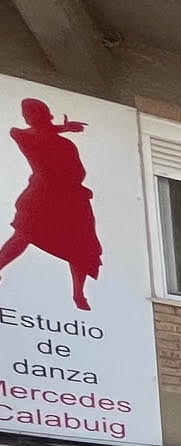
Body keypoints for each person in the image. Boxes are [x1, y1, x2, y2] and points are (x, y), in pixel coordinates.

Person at [0, 99, 99, 310]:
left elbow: (78, 171)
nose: (28, 118)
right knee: (24, 234)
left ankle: (78, 294)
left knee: (80, 247)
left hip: (70, 197)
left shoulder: (65, 144)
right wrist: (63, 128)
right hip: (43, 197)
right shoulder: (23, 135)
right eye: (27, 114)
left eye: (32, 113)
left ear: (44, 115)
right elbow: (38, 134)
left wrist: (63, 130)